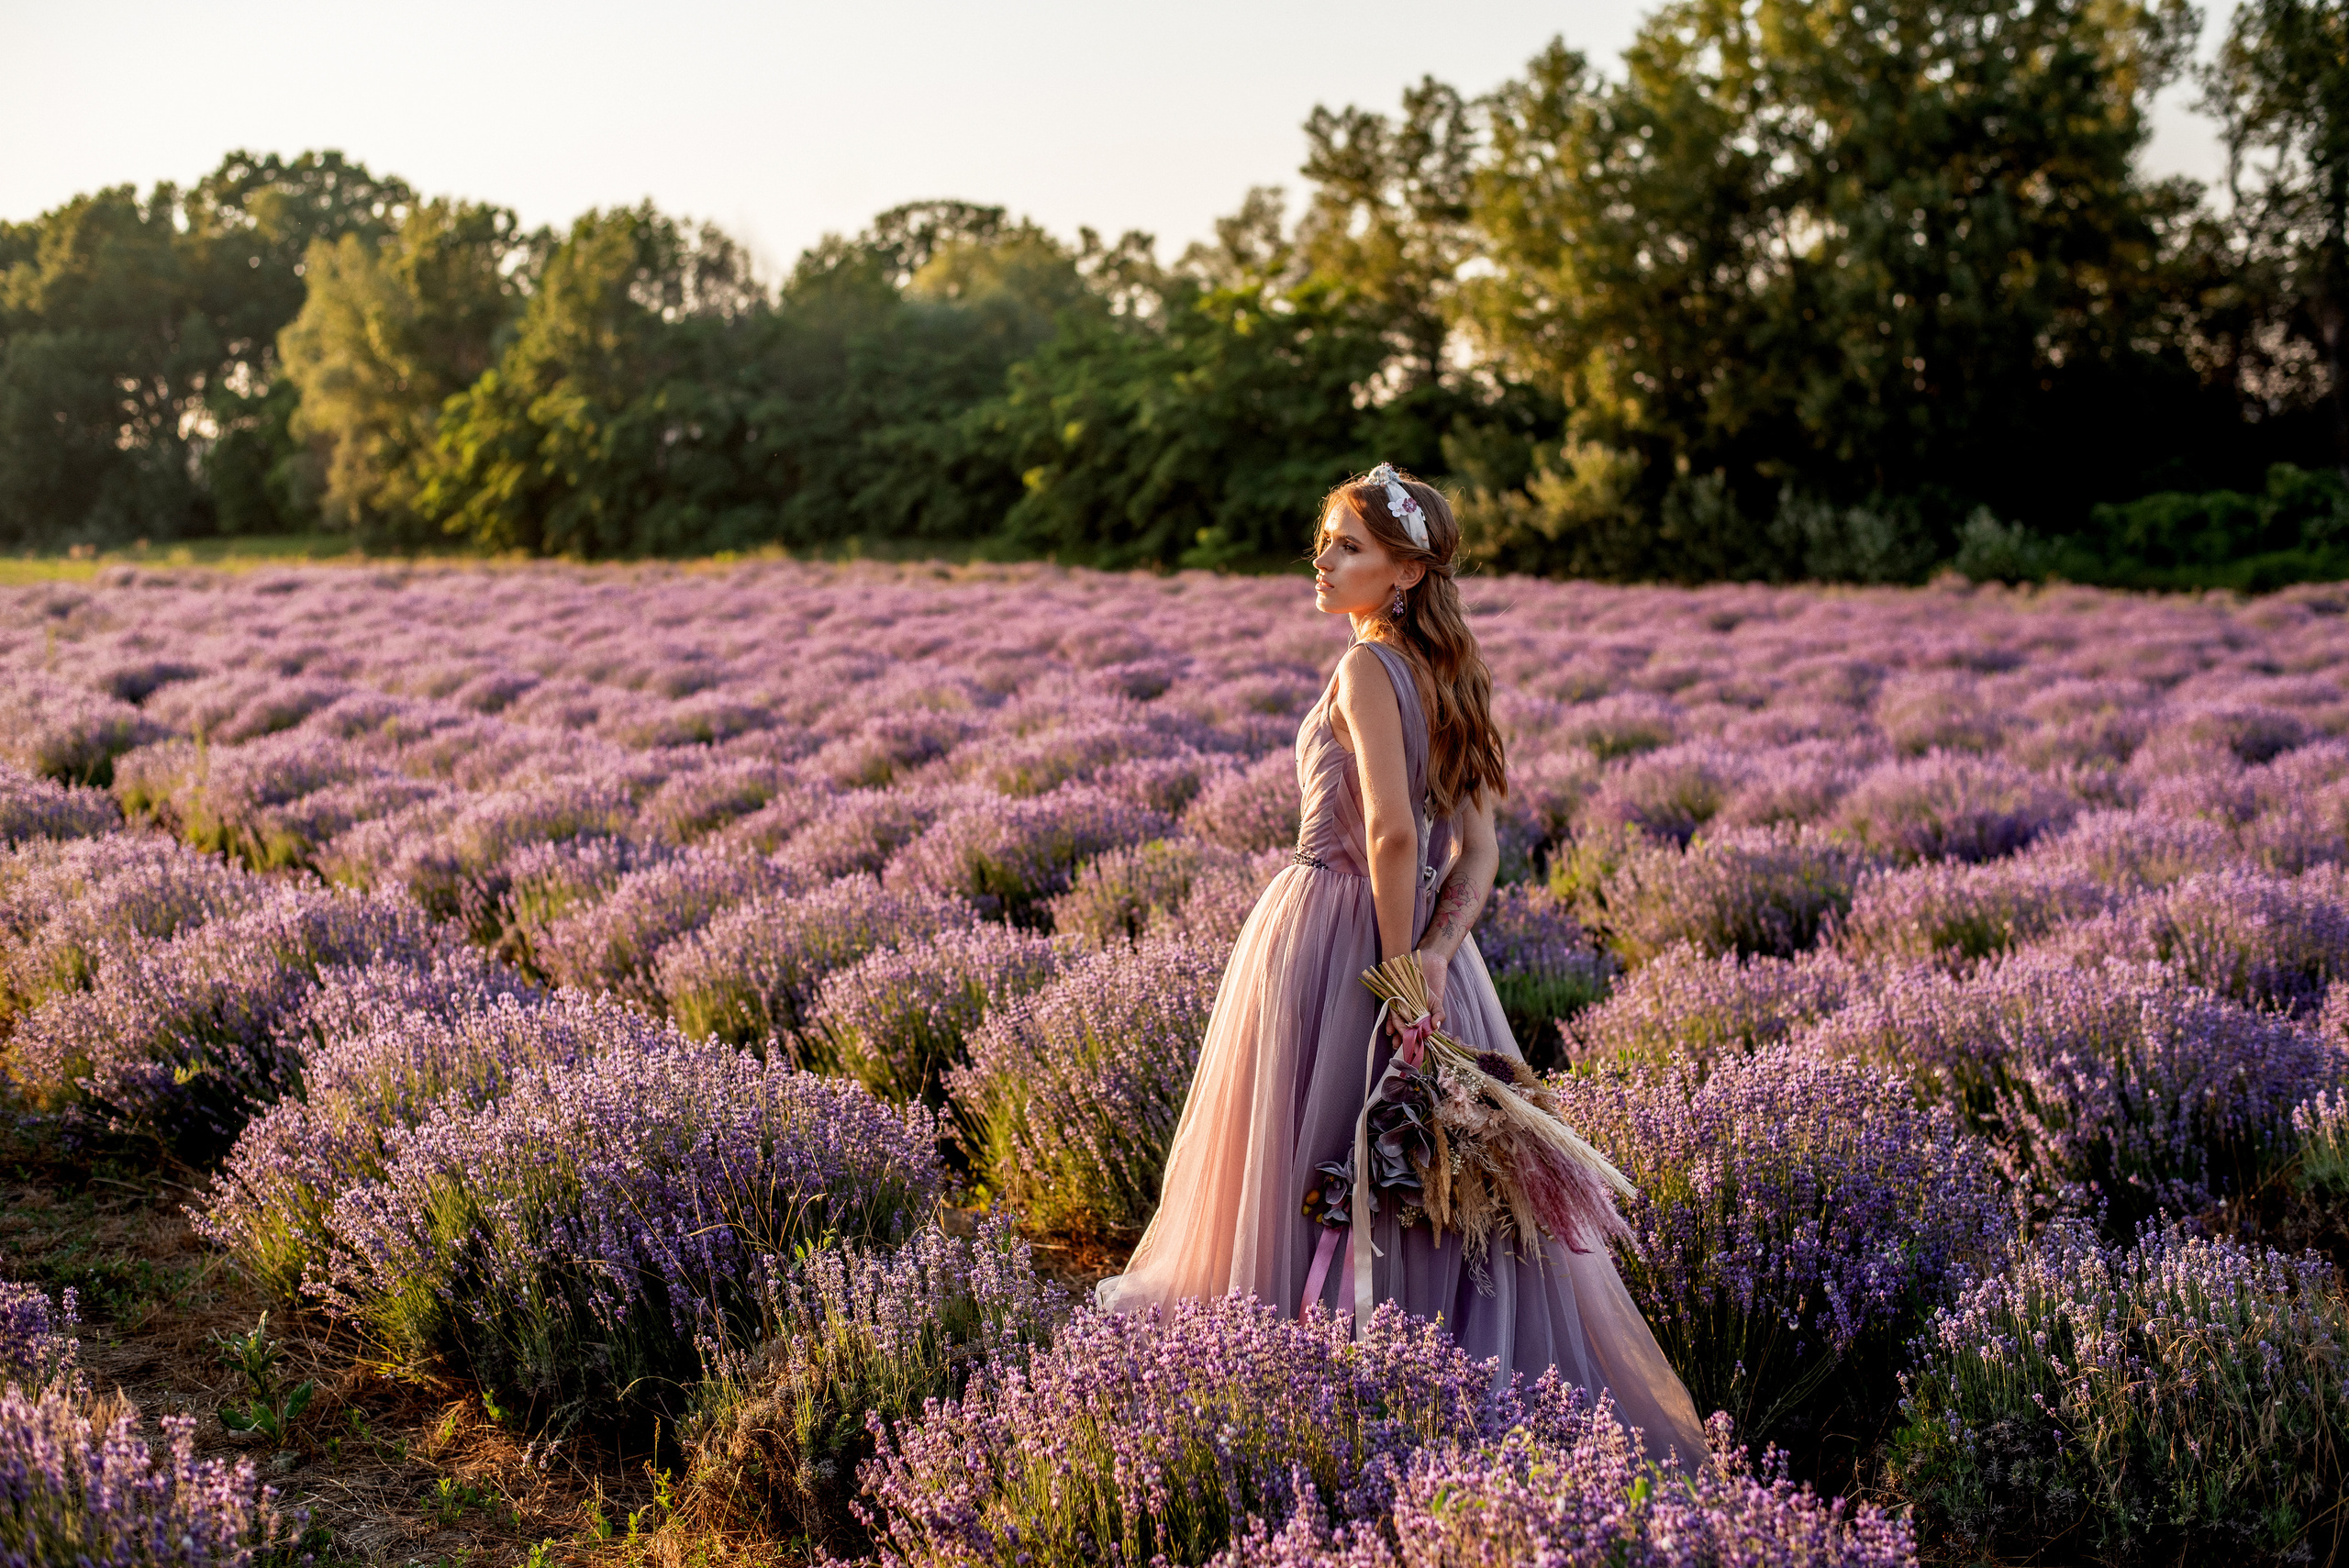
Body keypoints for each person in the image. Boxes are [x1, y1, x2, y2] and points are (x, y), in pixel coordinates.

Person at [1096, 464, 1705, 1464]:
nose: (1323, 562)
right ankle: (1444, 1386)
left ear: (1408, 570)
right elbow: (1477, 851)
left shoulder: (1369, 667)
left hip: (1339, 939)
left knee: (1328, 1153)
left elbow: (1386, 833)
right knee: (1421, 1175)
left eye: (1348, 546)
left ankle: (1305, 1383)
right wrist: (1432, 953)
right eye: (1324, 541)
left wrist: (1393, 980)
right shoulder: (1451, 674)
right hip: (1423, 945)